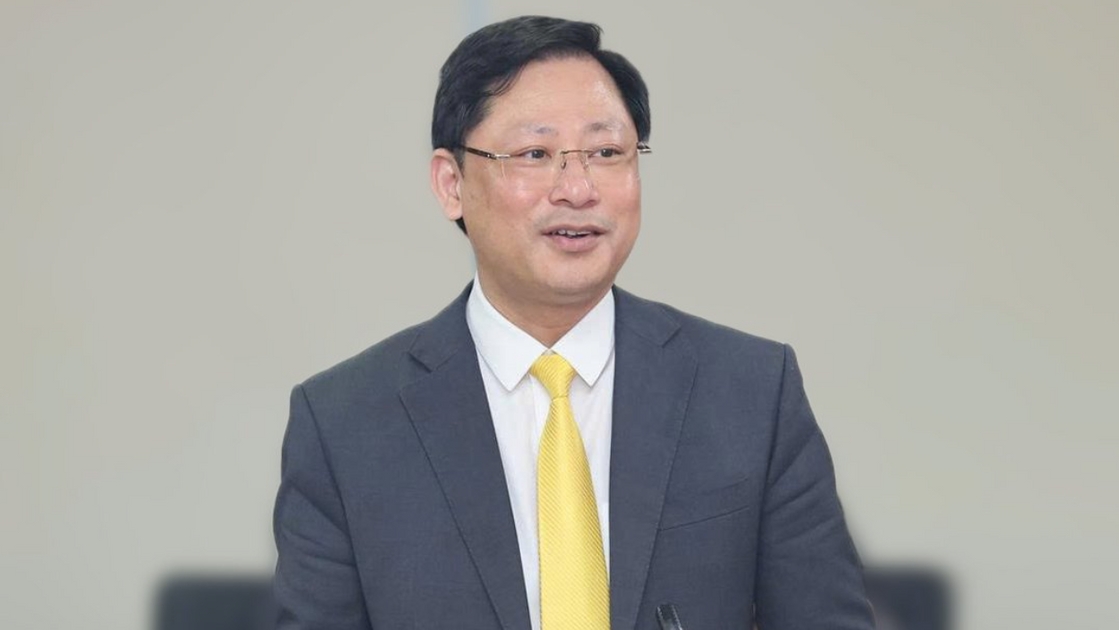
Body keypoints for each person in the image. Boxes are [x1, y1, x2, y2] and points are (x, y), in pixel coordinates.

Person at [273, 15, 875, 630]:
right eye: (535, 154)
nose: (578, 188)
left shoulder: (751, 393)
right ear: (451, 184)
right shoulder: (345, 425)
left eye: (607, 153)